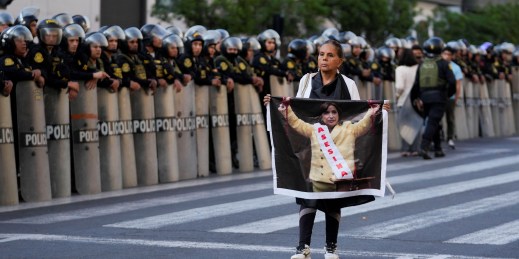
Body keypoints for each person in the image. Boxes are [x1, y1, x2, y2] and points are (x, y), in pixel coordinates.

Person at [264, 39, 389, 259]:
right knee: (307, 197)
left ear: (339, 60)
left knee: (333, 199)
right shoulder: (306, 80)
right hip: (312, 148)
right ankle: (303, 247)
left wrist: (378, 110)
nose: (324, 58)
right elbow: (296, 108)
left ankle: (331, 247)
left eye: (330, 55)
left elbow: (358, 114)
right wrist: (275, 104)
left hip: (339, 151)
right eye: (321, 54)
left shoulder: (348, 84)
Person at [278, 100, 379, 188]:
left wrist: (374, 110)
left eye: (334, 112)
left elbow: (365, 124)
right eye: (326, 113)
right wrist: (286, 108)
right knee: (310, 208)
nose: (331, 116)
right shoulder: (314, 130)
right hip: (319, 182)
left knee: (333, 210)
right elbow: (296, 123)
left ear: (338, 115)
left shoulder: (350, 129)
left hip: (343, 182)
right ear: (321, 116)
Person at [410, 37, 456, 160]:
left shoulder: (422, 64)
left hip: (425, 97)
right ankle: (424, 147)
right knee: (433, 122)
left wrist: (416, 99)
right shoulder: (444, 64)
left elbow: (416, 84)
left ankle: (438, 149)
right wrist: (448, 95)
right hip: (439, 97)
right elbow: (452, 82)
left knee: (434, 122)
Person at [395, 48, 421, 157]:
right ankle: (415, 149)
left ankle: (405, 149)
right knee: (417, 124)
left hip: (403, 100)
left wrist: (397, 95)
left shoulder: (400, 69)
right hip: (416, 100)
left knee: (404, 125)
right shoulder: (418, 68)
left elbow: (400, 86)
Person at [441, 44, 464, 150]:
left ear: (452, 56)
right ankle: (438, 137)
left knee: (450, 118)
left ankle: (450, 137)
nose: (446, 56)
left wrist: (456, 96)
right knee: (437, 118)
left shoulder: (455, 67)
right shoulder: (438, 65)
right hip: (439, 96)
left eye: (449, 54)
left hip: (450, 96)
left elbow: (458, 84)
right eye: (444, 54)